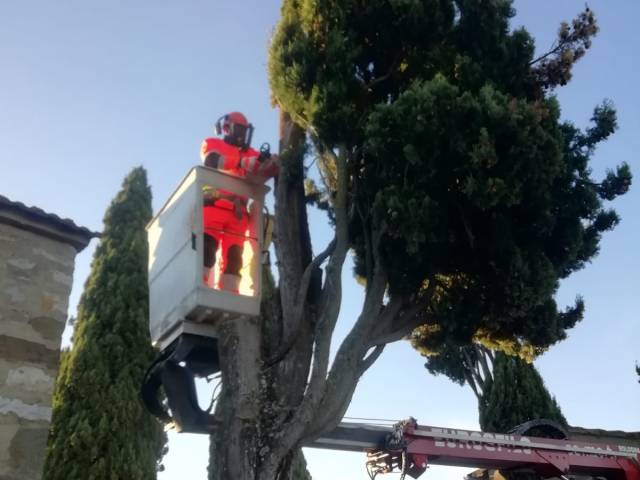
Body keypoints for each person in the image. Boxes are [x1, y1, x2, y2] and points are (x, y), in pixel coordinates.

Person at [200, 111, 278, 293]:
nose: (243, 135)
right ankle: (201, 285)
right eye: (239, 129)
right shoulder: (213, 143)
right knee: (207, 248)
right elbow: (211, 161)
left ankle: (230, 292)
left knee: (235, 257)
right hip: (214, 205)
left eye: (245, 131)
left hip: (238, 213)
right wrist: (242, 163)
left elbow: (260, 168)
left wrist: (271, 164)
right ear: (227, 128)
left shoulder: (251, 153)